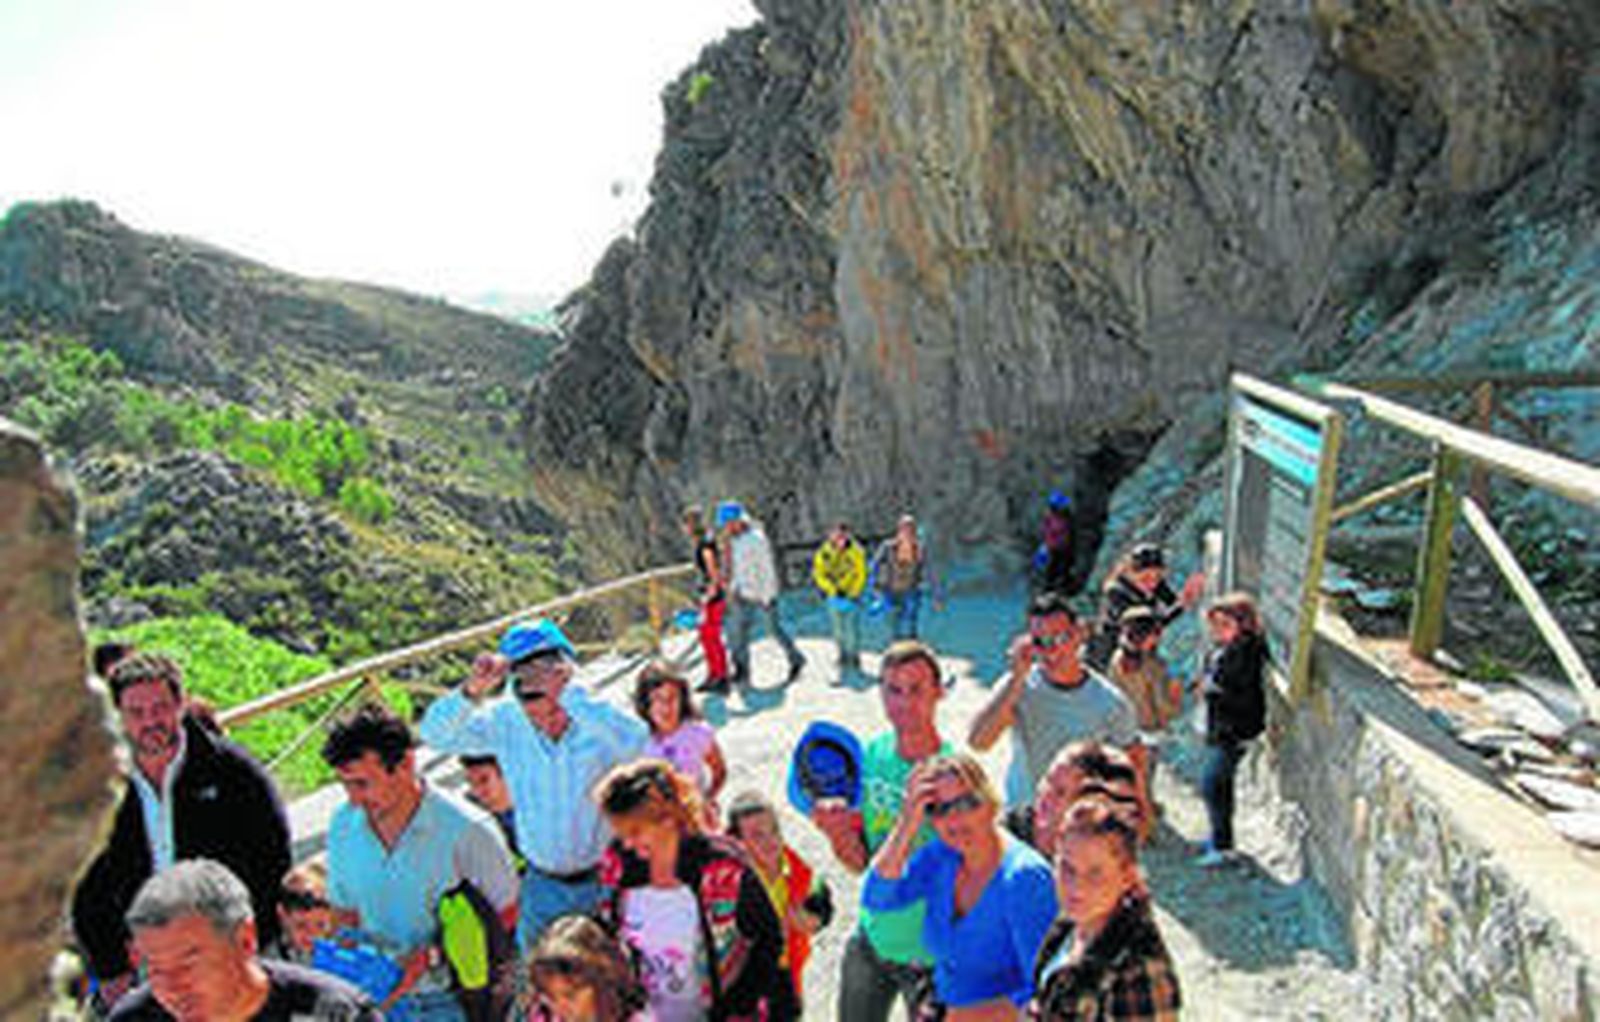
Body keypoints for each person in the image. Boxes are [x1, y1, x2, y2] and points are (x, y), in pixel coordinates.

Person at [72, 654, 292, 1013]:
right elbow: (83, 884)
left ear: (180, 703)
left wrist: (246, 950)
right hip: (142, 969)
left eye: (160, 708)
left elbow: (272, 864)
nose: (150, 722)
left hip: (224, 962)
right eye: (136, 712)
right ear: (118, 716)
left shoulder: (234, 773)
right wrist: (111, 967)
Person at [419, 618, 648, 947]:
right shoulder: (507, 721)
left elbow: (638, 741)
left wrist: (570, 697)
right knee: (539, 987)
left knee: (610, 980)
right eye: (534, 709)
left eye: (554, 708)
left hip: (606, 879)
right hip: (542, 885)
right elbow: (435, 734)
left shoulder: (595, 714)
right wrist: (472, 691)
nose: (547, 718)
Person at [322, 703, 519, 1020]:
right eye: (345, 785)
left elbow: (507, 919)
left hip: (451, 1000)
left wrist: (434, 955)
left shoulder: (469, 829)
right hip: (375, 1000)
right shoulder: (342, 825)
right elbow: (344, 912)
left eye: (362, 784)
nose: (354, 799)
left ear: (405, 764)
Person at [807, 640, 951, 1022]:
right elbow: (861, 864)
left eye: (916, 689)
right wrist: (837, 832)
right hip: (871, 938)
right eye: (893, 689)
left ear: (940, 692)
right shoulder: (871, 756)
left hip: (930, 958)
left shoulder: (956, 774)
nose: (903, 702)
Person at [595, 759, 798, 1021]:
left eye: (635, 831)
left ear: (668, 816)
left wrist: (736, 1007)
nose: (628, 843)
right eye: (621, 832)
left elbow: (768, 939)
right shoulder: (618, 862)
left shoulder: (723, 865)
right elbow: (606, 933)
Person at [862, 753, 1058, 1018]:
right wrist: (907, 823)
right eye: (938, 809)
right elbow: (877, 897)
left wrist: (971, 1016)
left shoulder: (1024, 878)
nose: (954, 820)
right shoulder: (942, 856)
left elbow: (1045, 989)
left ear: (990, 803)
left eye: (966, 803)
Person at [107, 859, 380, 1021]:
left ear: (246, 940)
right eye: (155, 969)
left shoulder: (334, 1012)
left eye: (188, 965)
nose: (173, 989)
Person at [968, 593, 1148, 818]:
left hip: (1080, 825)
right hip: (1025, 818)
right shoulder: (1017, 688)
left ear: (1080, 634)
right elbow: (979, 742)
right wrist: (1017, 678)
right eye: (1040, 642)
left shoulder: (1111, 703)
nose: (1050, 651)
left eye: (1060, 638)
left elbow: (1133, 769)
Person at [1029, 800, 1180, 1021]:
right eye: (1067, 868)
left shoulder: (1137, 971)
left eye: (1095, 874)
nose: (1076, 887)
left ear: (1127, 876)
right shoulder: (1070, 925)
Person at [726, 790, 834, 1007]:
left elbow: (824, 903)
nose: (771, 841)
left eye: (774, 830)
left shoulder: (796, 868)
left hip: (788, 974)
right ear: (736, 841)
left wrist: (815, 920)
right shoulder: (730, 880)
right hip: (746, 983)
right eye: (757, 835)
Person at [1195, 592, 1270, 867]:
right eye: (1214, 624)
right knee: (1218, 785)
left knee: (1213, 785)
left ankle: (1223, 846)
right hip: (1221, 727)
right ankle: (1219, 839)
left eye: (1224, 624)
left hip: (1234, 730)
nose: (1217, 630)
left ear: (1242, 623)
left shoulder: (1246, 653)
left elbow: (1243, 696)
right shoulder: (1224, 648)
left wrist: (1211, 691)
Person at [719, 501, 807, 686]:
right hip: (741, 593)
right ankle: (742, 670)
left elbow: (766, 569)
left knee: (774, 629)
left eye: (728, 524)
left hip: (762, 594)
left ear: (738, 521)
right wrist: (731, 589)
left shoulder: (756, 539)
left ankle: (796, 658)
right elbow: (735, 568)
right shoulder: (733, 541)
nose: (726, 528)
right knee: (737, 635)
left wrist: (767, 596)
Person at [1107, 607, 1183, 820]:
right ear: (1149, 636)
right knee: (1145, 777)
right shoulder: (1152, 665)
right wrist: (1176, 696)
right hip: (1149, 729)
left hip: (1124, 728)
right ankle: (1144, 819)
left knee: (1131, 775)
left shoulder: (1117, 658)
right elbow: (1163, 706)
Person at [1012, 742, 1142, 858]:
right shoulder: (1009, 832)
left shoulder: (1090, 863)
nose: (1046, 795)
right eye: (1048, 780)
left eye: (1060, 792)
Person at [1085, 544, 1203, 671]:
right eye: (1146, 578)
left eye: (1157, 577)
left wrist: (1190, 592)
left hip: (1139, 653)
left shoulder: (1154, 585)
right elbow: (1144, 624)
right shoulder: (1115, 592)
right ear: (1130, 573)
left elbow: (1172, 602)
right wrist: (1182, 605)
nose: (1152, 583)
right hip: (1110, 655)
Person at [635, 660, 728, 808]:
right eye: (658, 698)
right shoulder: (637, 738)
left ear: (682, 699)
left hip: (694, 815)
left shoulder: (697, 733)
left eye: (673, 697)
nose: (666, 706)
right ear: (645, 702)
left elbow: (719, 770)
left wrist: (709, 797)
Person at [526, 914, 649, 1022]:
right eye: (551, 998)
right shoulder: (545, 1017)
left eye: (570, 995)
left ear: (602, 983)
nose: (561, 1008)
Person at [684, 504, 732, 695]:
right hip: (711, 594)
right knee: (708, 636)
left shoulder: (704, 543)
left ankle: (720, 676)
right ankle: (715, 674)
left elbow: (712, 566)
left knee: (710, 636)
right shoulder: (706, 540)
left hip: (711, 596)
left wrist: (712, 589)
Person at [870, 514, 940, 640]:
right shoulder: (888, 547)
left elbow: (930, 572)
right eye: (904, 529)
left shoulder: (919, 549)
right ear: (899, 531)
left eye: (910, 530)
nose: (907, 533)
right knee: (892, 626)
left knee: (909, 627)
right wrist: (875, 588)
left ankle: (910, 653)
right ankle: (896, 652)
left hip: (910, 593)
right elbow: (874, 566)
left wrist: (936, 596)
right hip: (890, 592)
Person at [813, 521, 869, 675]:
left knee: (851, 629)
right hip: (833, 596)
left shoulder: (856, 551)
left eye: (842, 536)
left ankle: (853, 656)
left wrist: (853, 592)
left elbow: (861, 573)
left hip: (851, 596)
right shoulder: (823, 553)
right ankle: (842, 655)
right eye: (836, 535)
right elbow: (819, 573)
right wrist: (831, 589)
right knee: (838, 629)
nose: (839, 539)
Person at [459, 753, 527, 873]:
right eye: (471, 783)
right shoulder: (471, 815)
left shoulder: (533, 808)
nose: (477, 791)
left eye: (484, 780)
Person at [274, 860, 334, 965]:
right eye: (301, 925)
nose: (312, 935)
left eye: (321, 925)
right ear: (282, 915)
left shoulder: (336, 951)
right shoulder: (272, 958)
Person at [1034, 491, 1075, 597]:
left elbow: (1068, 533)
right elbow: (1047, 533)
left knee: (1064, 573)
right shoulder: (1049, 518)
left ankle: (1061, 594)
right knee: (1051, 573)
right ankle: (1047, 594)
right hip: (1053, 549)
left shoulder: (1067, 518)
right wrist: (1045, 546)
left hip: (1065, 549)